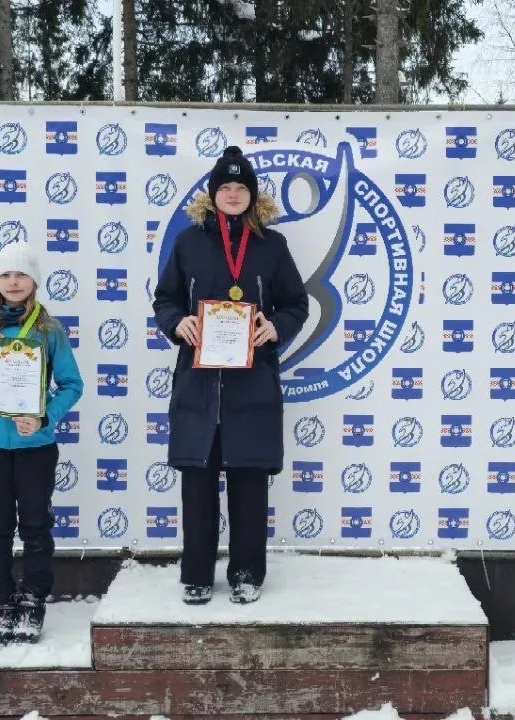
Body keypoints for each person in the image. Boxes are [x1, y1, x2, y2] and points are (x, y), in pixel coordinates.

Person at [152, 146, 309, 605]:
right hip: (198, 384)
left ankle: (246, 573)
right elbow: (166, 298)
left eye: (242, 187)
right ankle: (197, 574)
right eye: (226, 187)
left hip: (252, 382)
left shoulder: (272, 245)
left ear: (252, 195)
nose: (234, 194)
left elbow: (296, 303)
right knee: (198, 485)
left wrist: (275, 327)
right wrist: (176, 322)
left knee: (249, 484)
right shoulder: (189, 242)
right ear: (214, 193)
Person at [0, 240, 84, 644]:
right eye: (6, 274)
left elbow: (72, 385)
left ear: (34, 281)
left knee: (36, 525)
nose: (13, 281)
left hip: (35, 447)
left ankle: (33, 598)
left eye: (21, 274)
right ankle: (0, 600)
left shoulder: (49, 331)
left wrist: (44, 418)